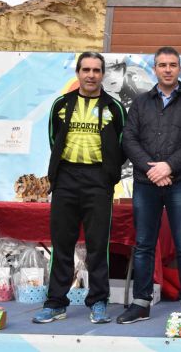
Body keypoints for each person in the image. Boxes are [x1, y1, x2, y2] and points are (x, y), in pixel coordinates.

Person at [33, 52, 127, 324]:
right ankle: (55, 303)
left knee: (98, 245)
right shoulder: (62, 104)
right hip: (66, 179)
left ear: (102, 74)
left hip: (98, 180)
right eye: (86, 70)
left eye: (96, 70)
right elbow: (54, 139)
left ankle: (98, 302)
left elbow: (122, 144)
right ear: (78, 73)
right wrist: (61, 173)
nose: (91, 75)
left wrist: (107, 174)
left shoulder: (114, 107)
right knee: (62, 244)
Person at [118, 46, 181, 323]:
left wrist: (168, 166)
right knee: (144, 244)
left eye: (172, 65)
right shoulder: (141, 103)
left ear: (179, 68)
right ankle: (140, 304)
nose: (167, 69)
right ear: (155, 69)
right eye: (162, 65)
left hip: (180, 181)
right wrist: (152, 170)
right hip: (146, 183)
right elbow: (129, 139)